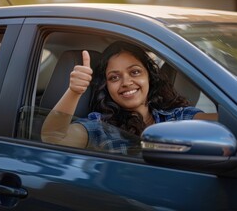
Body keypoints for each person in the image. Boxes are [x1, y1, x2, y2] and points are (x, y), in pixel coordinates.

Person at [41, 41, 218, 153]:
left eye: (134, 72)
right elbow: (53, 139)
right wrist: (74, 91)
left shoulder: (176, 116)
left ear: (149, 76)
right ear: (106, 86)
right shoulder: (101, 127)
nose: (126, 82)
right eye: (114, 77)